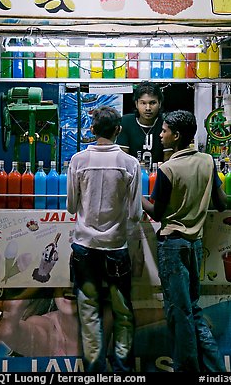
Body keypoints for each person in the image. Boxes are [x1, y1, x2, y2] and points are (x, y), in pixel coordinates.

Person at [142, 109, 227, 373]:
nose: (161, 134)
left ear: (176, 136)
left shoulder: (168, 169)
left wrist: (135, 194)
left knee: (180, 315)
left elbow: (156, 212)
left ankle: (187, 369)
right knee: (192, 309)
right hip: (195, 245)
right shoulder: (207, 161)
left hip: (173, 246)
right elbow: (222, 204)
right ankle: (215, 370)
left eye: (165, 130)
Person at [66, 105, 143, 372]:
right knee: (122, 311)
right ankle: (123, 369)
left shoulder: (77, 161)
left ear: (92, 130)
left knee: (89, 311)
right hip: (116, 248)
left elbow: (71, 206)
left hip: (84, 247)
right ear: (118, 131)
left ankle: (94, 370)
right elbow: (135, 213)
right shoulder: (130, 163)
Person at [116, 81, 164, 169]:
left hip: (159, 176)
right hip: (132, 176)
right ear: (136, 104)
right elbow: (123, 159)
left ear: (160, 103)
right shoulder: (126, 122)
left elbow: (169, 159)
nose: (148, 108)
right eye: (143, 103)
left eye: (152, 103)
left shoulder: (165, 123)